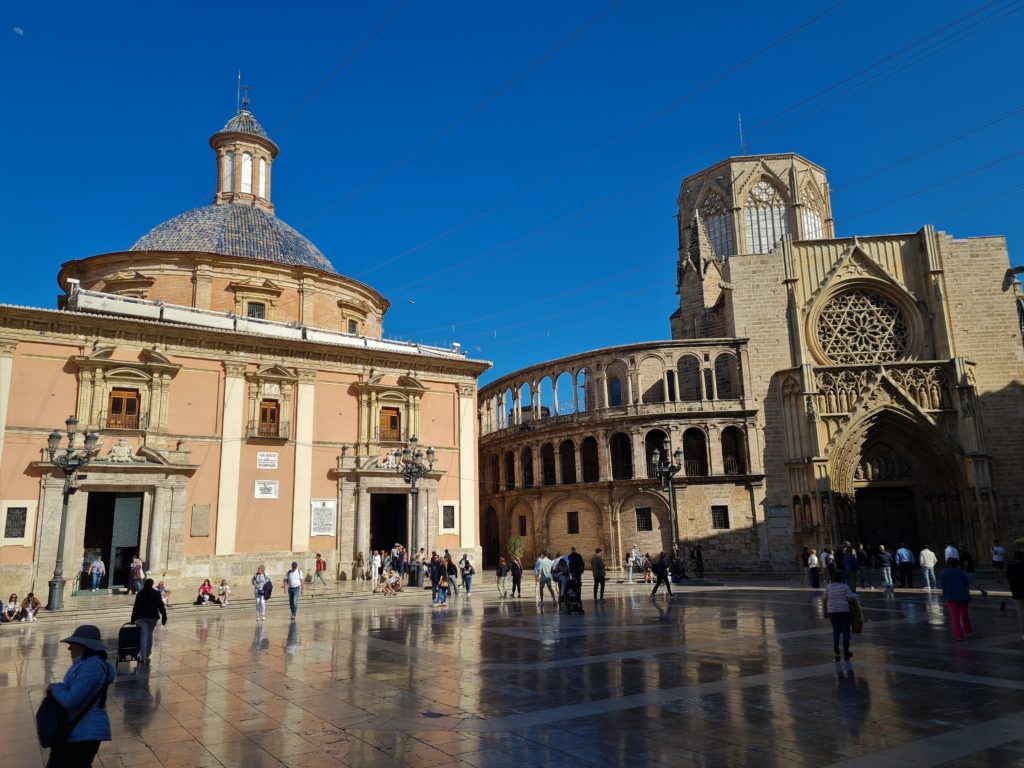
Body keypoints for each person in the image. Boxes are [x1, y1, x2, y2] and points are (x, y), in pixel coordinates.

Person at [45, 624, 116, 768]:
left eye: (73, 644)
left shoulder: (92, 667)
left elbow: (70, 700)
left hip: (84, 732)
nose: (69, 648)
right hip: (78, 730)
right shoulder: (84, 665)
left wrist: (55, 687)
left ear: (84, 646)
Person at [822, 571, 858, 660]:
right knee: (846, 631)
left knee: (836, 630)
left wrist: (825, 611)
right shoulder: (845, 587)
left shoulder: (828, 587)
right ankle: (846, 650)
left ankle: (836, 646)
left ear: (832, 579)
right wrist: (853, 599)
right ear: (841, 578)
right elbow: (849, 599)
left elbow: (824, 599)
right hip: (844, 611)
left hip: (832, 612)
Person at [130, 578, 167, 664]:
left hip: (141, 617)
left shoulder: (140, 594)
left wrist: (132, 619)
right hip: (152, 617)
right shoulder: (156, 593)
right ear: (152, 584)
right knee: (149, 634)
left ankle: (143, 656)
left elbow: (136, 607)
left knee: (143, 636)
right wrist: (164, 616)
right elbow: (161, 605)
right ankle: (147, 654)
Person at [940, 557, 973, 641]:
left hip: (950, 597)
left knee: (955, 617)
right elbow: (966, 585)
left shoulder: (943, 573)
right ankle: (967, 631)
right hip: (962, 597)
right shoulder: (961, 573)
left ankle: (958, 635)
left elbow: (943, 585)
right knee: (965, 615)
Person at [1004, 551, 1024, 641]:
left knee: (1021, 614)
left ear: (1015, 557)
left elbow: (1007, 577)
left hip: (1017, 593)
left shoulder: (1010, 567)